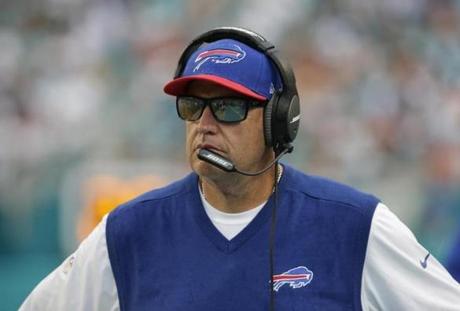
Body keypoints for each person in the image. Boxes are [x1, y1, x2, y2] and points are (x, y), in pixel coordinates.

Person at [20, 27, 460, 311]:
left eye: (228, 107)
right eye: (193, 106)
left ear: (278, 120)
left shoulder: (355, 225)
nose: (205, 125)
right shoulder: (126, 232)